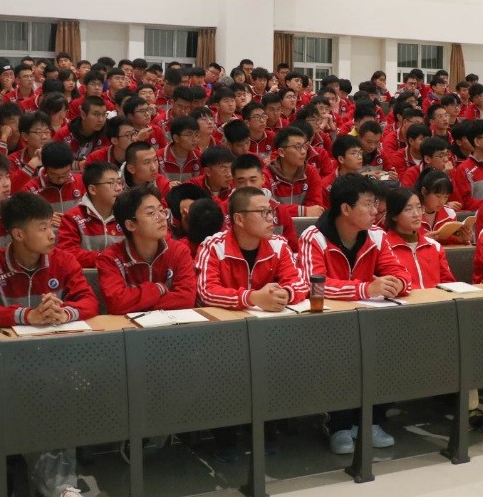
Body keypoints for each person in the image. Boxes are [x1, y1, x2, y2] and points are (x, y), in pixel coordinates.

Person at [0, 192, 97, 497]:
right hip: (4, 364)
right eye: (43, 228)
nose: (52, 234)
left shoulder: (63, 260)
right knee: (34, 398)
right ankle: (64, 492)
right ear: (18, 234)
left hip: (54, 362)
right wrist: (28, 315)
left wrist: (64, 312)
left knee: (61, 395)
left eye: (51, 226)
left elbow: (89, 300)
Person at [297, 174, 411, 455]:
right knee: (340, 357)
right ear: (345, 209)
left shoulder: (377, 236)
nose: (375, 211)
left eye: (375, 203)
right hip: (326, 326)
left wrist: (397, 284)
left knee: (394, 349)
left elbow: (400, 272)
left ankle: (370, 420)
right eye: (368, 204)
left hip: (367, 321)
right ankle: (339, 425)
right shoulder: (313, 237)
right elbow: (315, 286)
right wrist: (365, 288)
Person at [194, 185, 307, 310]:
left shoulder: (279, 246)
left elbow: (299, 283)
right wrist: (252, 298)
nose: (271, 218)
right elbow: (207, 292)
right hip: (224, 319)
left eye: (270, 211)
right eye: (263, 212)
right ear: (239, 219)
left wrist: (286, 293)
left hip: (264, 319)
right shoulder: (213, 247)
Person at [96, 186, 197, 314]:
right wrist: (158, 289)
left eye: (161, 210)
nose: (162, 217)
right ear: (130, 225)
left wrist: (136, 304)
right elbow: (116, 303)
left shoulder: (179, 251)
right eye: (151, 213)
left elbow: (186, 299)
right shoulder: (110, 259)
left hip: (173, 324)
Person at [382, 187, 456, 289]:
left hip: (436, 298)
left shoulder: (434, 246)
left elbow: (449, 284)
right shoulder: (383, 248)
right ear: (394, 215)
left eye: (419, 207)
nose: (416, 214)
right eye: (409, 209)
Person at [57, 162, 124, 268]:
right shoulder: (72, 218)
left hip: (121, 275)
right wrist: (105, 257)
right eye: (112, 183)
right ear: (93, 189)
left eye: (119, 182)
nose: (119, 188)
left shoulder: (127, 214)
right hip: (85, 276)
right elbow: (67, 253)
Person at [21, 142, 87, 221]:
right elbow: (22, 216)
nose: (61, 179)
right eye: (54, 175)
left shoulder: (82, 182)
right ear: (45, 168)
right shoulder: (31, 188)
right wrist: (44, 218)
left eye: (65, 173)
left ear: (71, 166)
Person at [269, 126, 326, 217]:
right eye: (297, 147)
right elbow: (268, 208)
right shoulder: (266, 175)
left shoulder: (311, 172)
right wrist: (303, 211)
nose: (303, 152)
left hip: (305, 225)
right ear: (281, 152)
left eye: (304, 146)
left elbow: (316, 209)